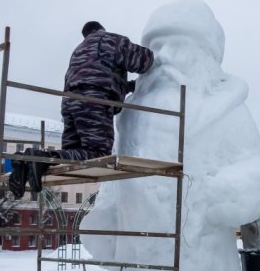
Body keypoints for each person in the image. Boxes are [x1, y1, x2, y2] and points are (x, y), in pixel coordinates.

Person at [81, 0, 260, 271]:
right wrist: (106, 213)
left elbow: (254, 179)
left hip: (200, 268)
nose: (163, 57)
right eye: (156, 45)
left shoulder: (228, 112)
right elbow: (120, 174)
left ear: (205, 55)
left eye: (176, 44)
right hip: (137, 270)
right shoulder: (130, 116)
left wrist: (215, 197)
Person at [9, 21, 155, 198]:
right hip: (93, 101)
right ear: (101, 30)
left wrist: (128, 86)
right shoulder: (109, 40)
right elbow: (143, 61)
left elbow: (97, 75)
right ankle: (39, 157)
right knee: (97, 155)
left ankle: (26, 160)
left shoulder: (78, 51)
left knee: (72, 159)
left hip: (71, 102)